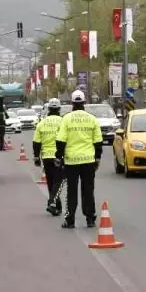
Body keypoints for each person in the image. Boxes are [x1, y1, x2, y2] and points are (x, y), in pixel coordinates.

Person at [54, 90, 102, 229]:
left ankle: (70, 220)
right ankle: (90, 218)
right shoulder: (92, 119)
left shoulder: (66, 119)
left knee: (72, 191)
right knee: (88, 190)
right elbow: (98, 141)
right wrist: (97, 158)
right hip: (88, 160)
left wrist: (59, 156)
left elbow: (61, 140)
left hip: (71, 161)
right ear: (84, 103)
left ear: (72, 103)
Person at [32, 98, 65, 215]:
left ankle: (57, 207)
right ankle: (52, 201)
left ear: (48, 109)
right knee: (59, 181)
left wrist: (36, 157)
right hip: (59, 157)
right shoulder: (63, 122)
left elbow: (36, 142)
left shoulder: (42, 123)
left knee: (51, 182)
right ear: (59, 109)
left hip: (46, 157)